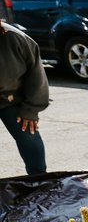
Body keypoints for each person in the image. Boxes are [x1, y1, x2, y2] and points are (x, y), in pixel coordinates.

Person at [0, 20, 49, 175]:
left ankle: (39, 181)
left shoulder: (16, 38)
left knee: (29, 138)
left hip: (12, 98)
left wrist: (31, 109)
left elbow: (36, 75)